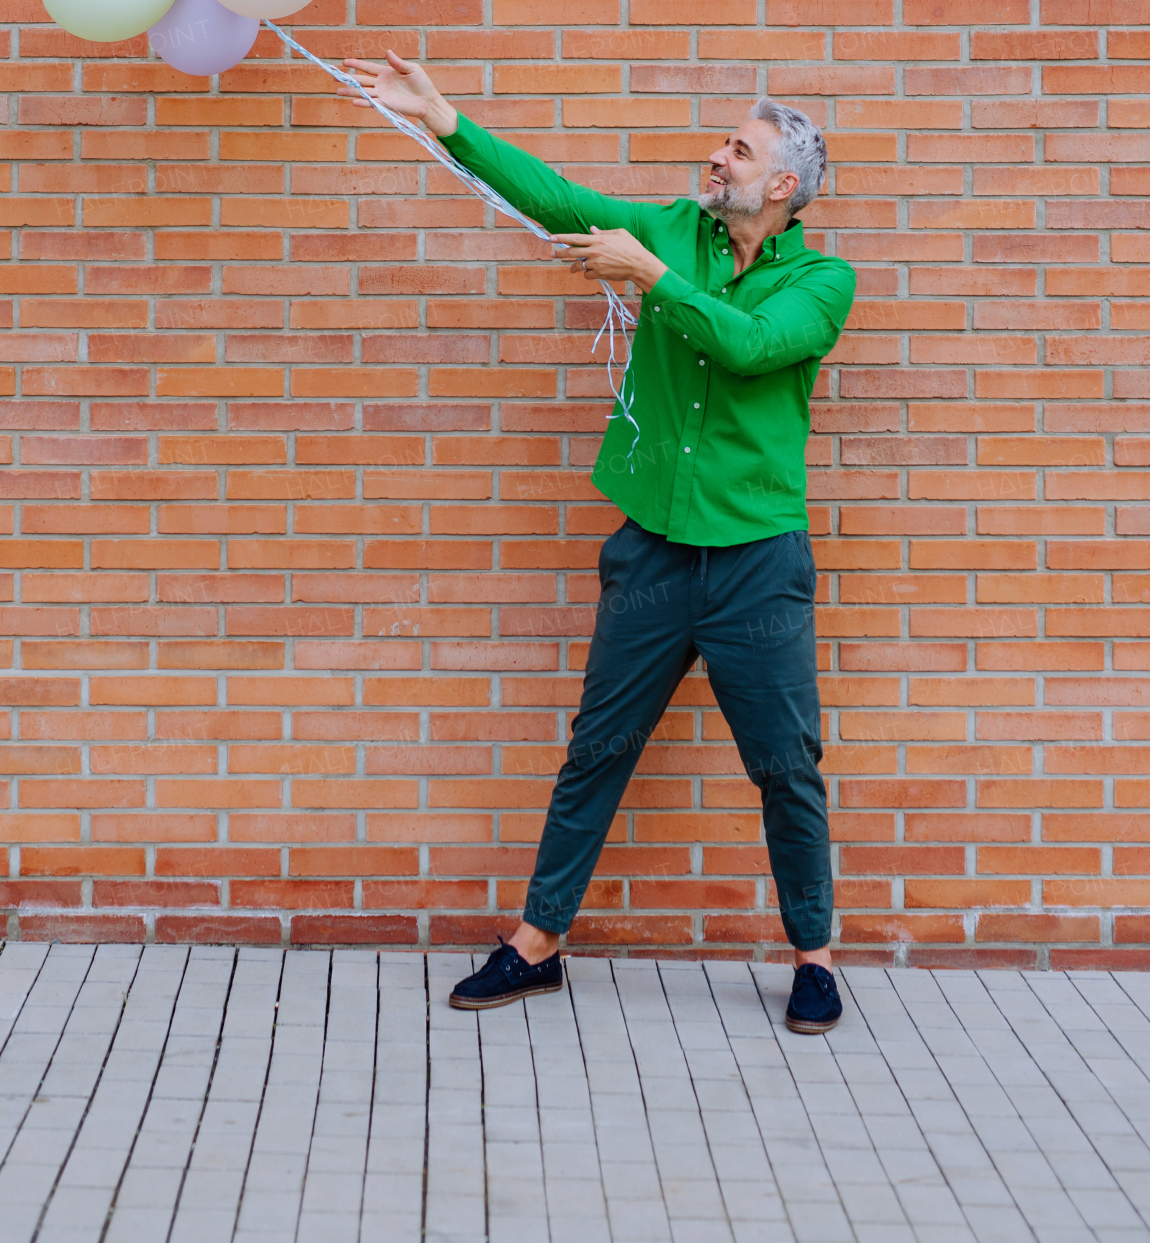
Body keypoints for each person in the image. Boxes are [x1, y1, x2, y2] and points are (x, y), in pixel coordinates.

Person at [344, 51, 856, 1035]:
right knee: (596, 751)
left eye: (736, 150)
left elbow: (750, 350)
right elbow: (552, 195)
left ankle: (813, 957)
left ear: (780, 185)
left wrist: (650, 278)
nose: (716, 158)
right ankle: (536, 946)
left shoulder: (822, 280)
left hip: (756, 562)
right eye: (723, 143)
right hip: (654, 556)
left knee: (786, 765)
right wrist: (445, 117)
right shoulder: (672, 229)